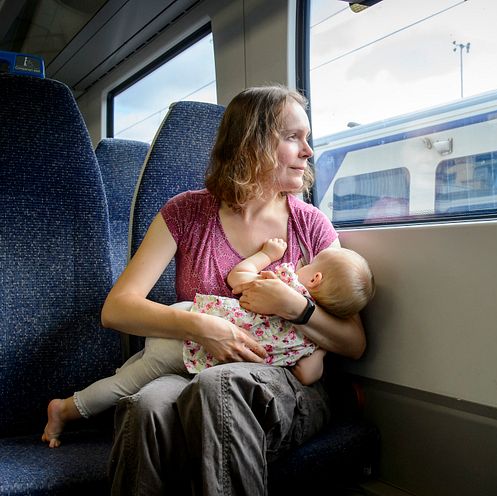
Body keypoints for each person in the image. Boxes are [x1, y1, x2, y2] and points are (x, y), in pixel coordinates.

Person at [90, 85, 366, 495]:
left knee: (218, 388)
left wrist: (296, 308)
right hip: (194, 364)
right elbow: (117, 309)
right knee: (146, 407)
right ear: (251, 143)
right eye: (293, 138)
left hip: (287, 380)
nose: (308, 151)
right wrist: (202, 328)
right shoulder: (186, 212)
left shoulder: (310, 225)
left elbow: (354, 342)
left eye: (306, 138)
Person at [41, 238, 374, 448]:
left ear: (314, 278)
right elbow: (307, 376)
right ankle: (66, 409)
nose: (302, 264)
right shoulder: (310, 343)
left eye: (310, 264)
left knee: (134, 373)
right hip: (190, 342)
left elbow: (237, 279)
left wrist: (266, 255)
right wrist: (322, 344)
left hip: (187, 314)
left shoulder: (284, 283)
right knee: (125, 384)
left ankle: (85, 398)